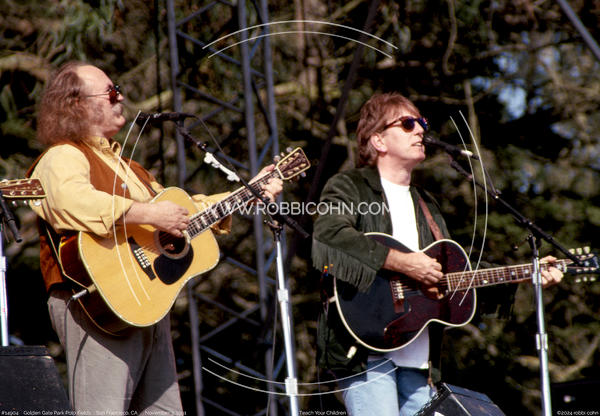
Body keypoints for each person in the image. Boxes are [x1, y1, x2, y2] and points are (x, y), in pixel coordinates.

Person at [27, 61, 283, 414]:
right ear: (77, 104)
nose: (121, 97)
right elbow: (70, 202)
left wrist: (246, 193)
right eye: (111, 92)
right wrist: (148, 214)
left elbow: (184, 214)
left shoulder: (131, 168)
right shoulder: (63, 155)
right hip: (97, 301)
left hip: (147, 303)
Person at [311, 92, 563, 415]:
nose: (420, 130)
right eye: (407, 123)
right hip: (365, 353)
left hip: (419, 362)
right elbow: (328, 236)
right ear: (378, 140)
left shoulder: (426, 204)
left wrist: (527, 273)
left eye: (422, 123)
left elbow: (454, 275)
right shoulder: (350, 186)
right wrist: (405, 263)